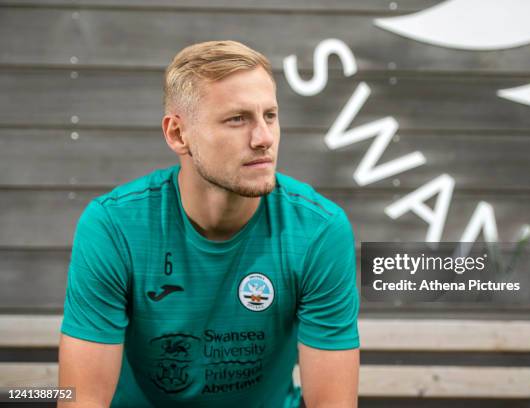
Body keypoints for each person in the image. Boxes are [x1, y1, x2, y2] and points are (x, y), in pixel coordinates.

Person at [58, 40, 360, 407]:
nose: (264, 139)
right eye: (237, 119)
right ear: (177, 134)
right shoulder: (114, 226)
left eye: (270, 115)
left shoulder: (318, 230)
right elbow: (81, 400)